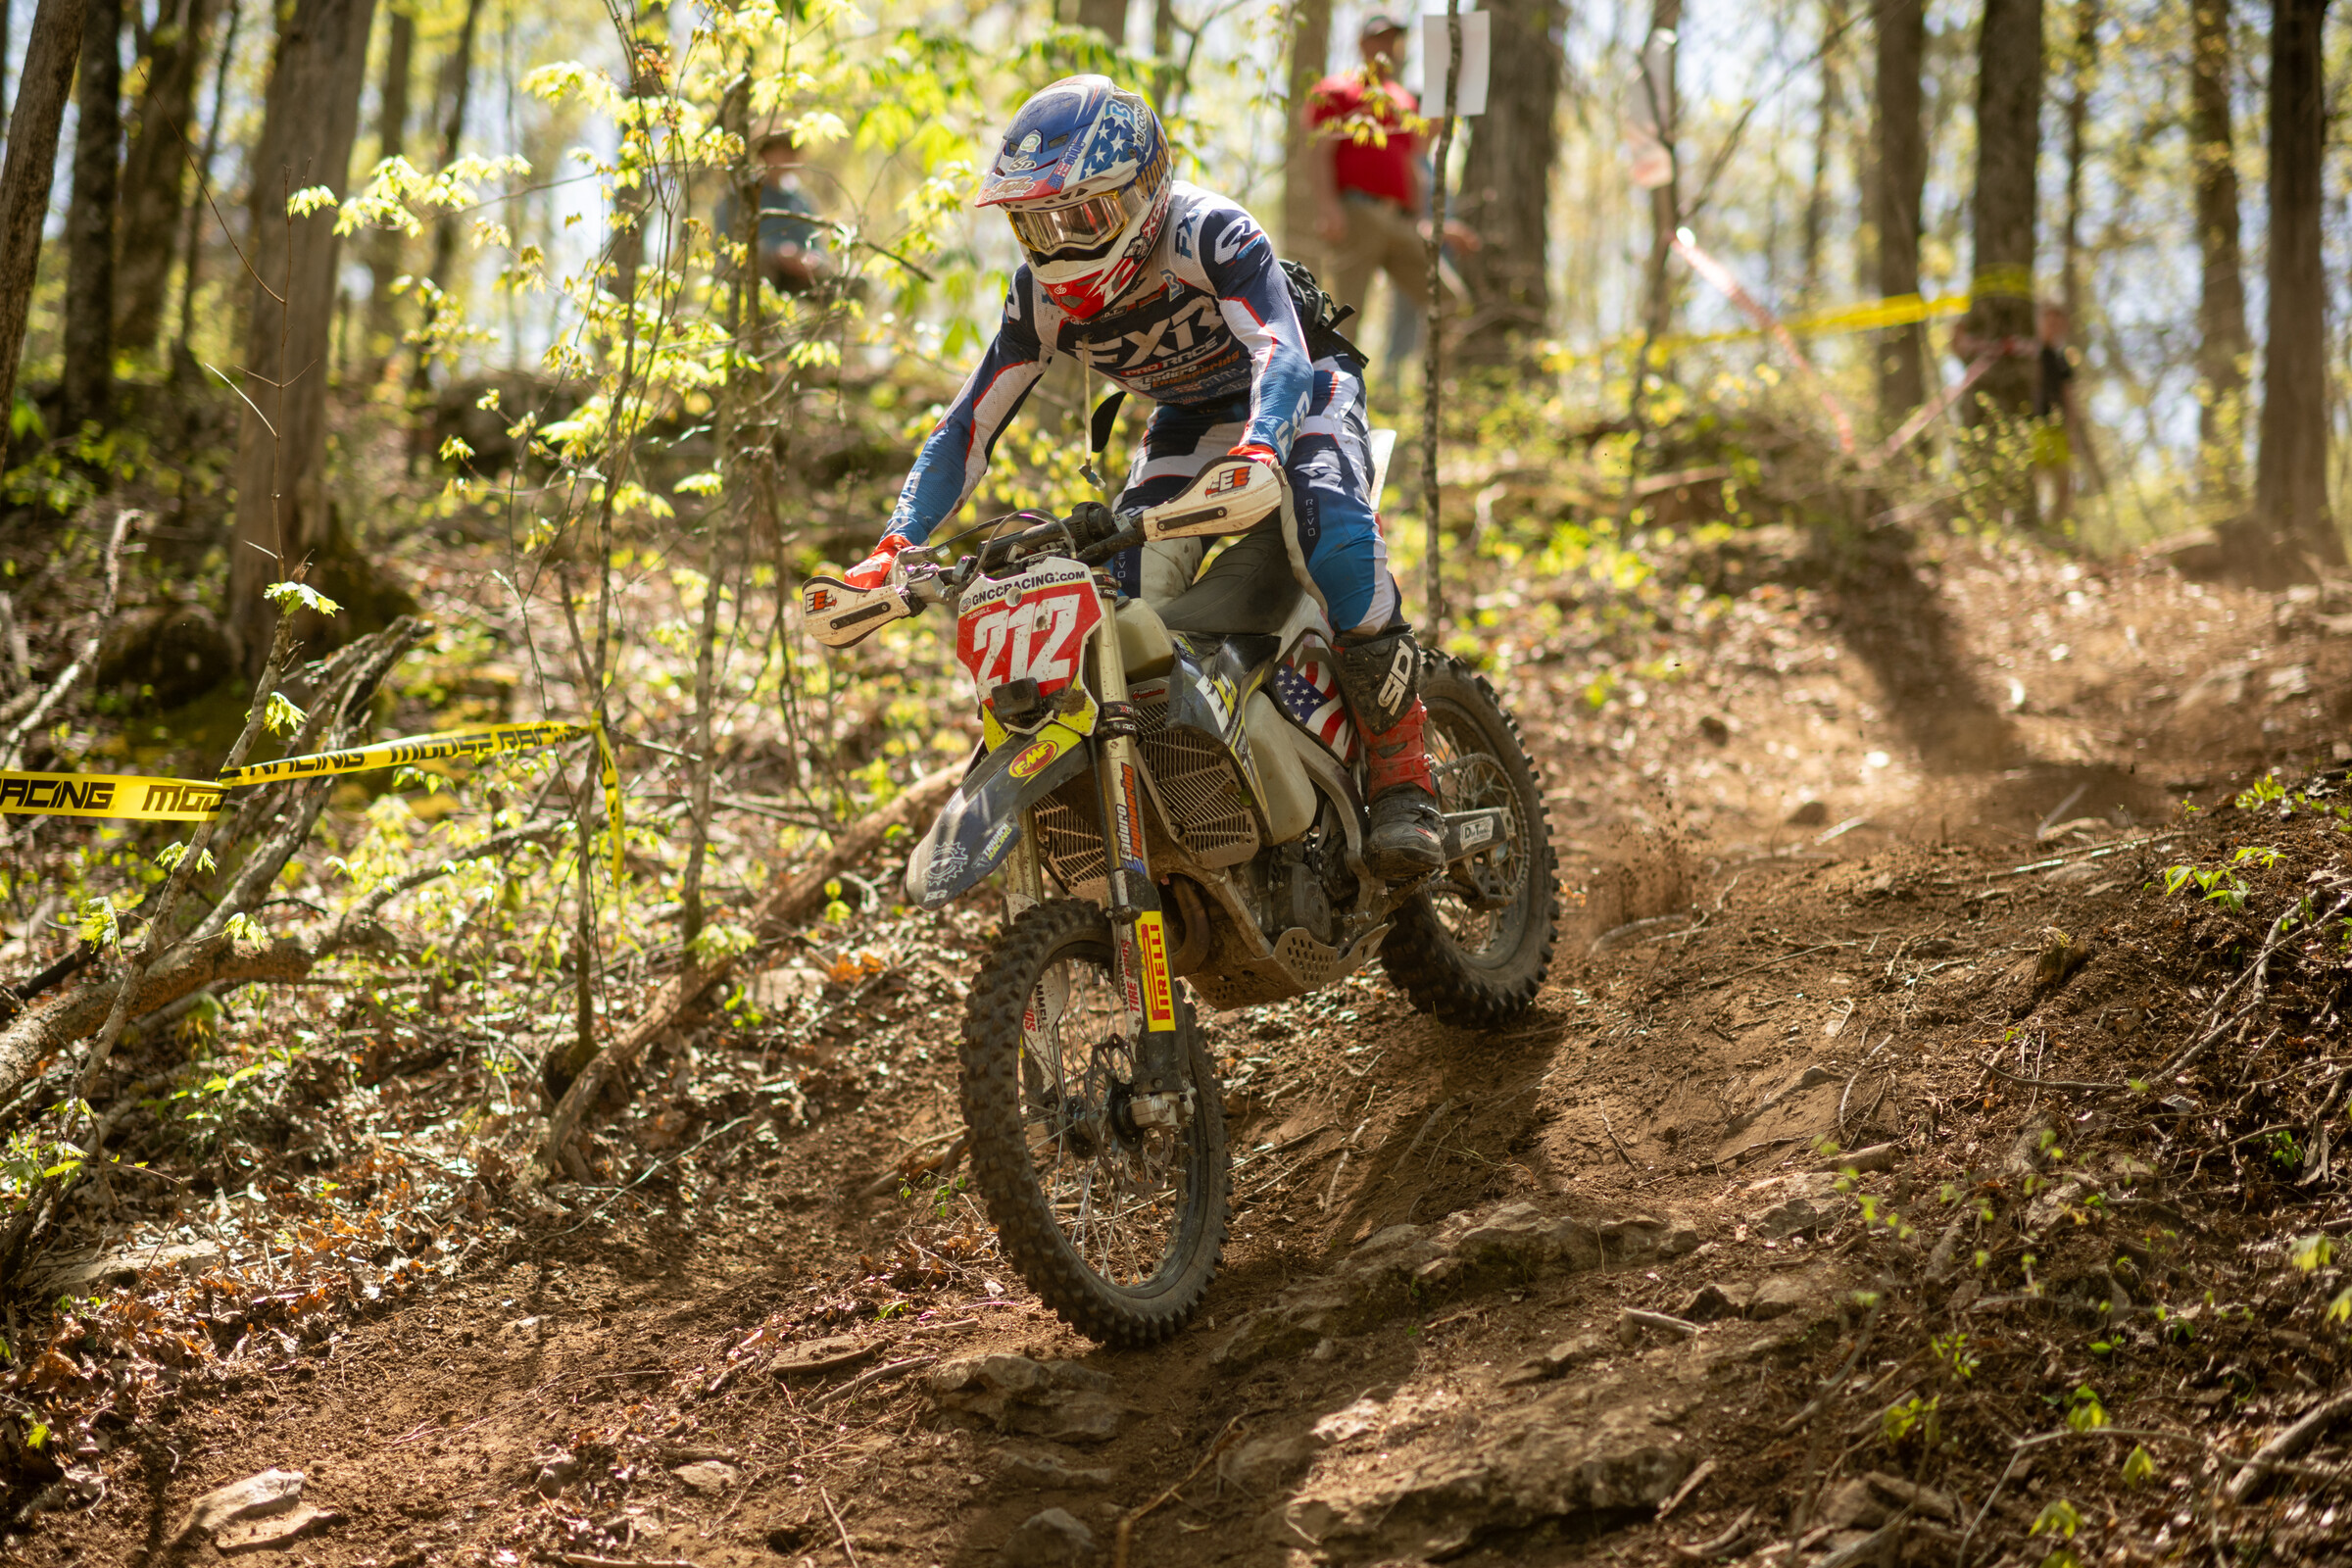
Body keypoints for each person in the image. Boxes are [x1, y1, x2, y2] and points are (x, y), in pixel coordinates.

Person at [840, 75, 1444, 878]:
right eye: (1035, 224)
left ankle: (1405, 776)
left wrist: (1264, 446)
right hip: (1188, 423)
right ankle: (1201, 786)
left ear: (1144, 189)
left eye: (1080, 216)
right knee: (1123, 614)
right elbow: (965, 427)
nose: (1058, 247)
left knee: (1330, 534)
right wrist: (895, 544)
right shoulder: (1039, 301)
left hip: (1302, 394)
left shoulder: (1210, 234)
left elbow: (1281, 352)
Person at [1304, 14, 1478, 345]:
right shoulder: (1338, 90)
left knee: (1451, 302)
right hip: (1357, 212)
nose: (1387, 47)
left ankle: (1436, 391)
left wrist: (1428, 223)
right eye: (1379, 39)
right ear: (1362, 44)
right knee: (1346, 315)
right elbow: (1319, 152)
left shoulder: (1404, 100)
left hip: (1402, 220)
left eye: (1393, 40)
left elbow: (1414, 162)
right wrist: (1328, 207)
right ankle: (1337, 393)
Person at [715, 131, 828, 295]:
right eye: (781, 151)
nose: (787, 157)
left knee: (854, 282)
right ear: (764, 154)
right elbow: (726, 243)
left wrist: (810, 261)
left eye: (791, 151)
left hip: (798, 278)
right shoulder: (741, 195)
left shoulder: (800, 199)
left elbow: (819, 248)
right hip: (758, 276)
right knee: (761, 264)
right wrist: (776, 255)